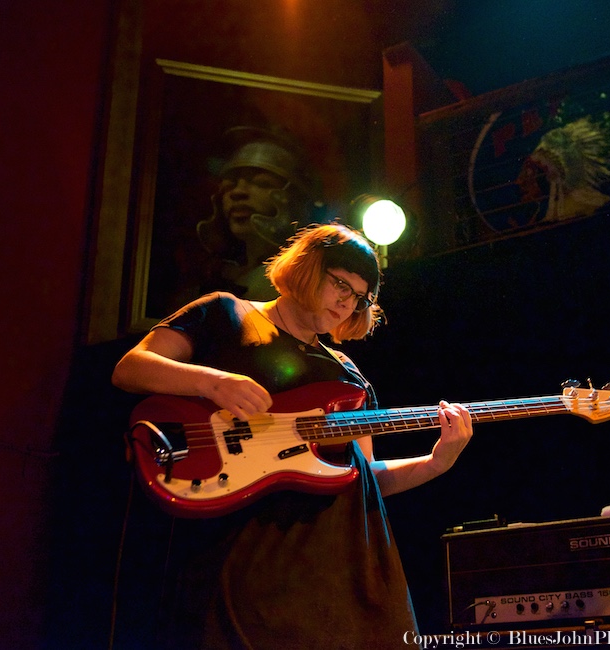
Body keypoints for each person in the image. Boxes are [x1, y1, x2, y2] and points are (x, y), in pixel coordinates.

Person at [111, 222, 473, 649]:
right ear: (307, 267)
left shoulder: (347, 375)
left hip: (344, 565)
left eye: (359, 296)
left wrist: (437, 463)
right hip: (248, 556)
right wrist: (211, 382)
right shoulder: (227, 313)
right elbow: (130, 369)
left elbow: (365, 477)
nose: (347, 301)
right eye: (341, 283)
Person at [195, 126, 316, 301]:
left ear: (294, 199)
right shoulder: (215, 280)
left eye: (261, 183)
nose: (237, 193)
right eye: (229, 185)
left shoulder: (302, 282)